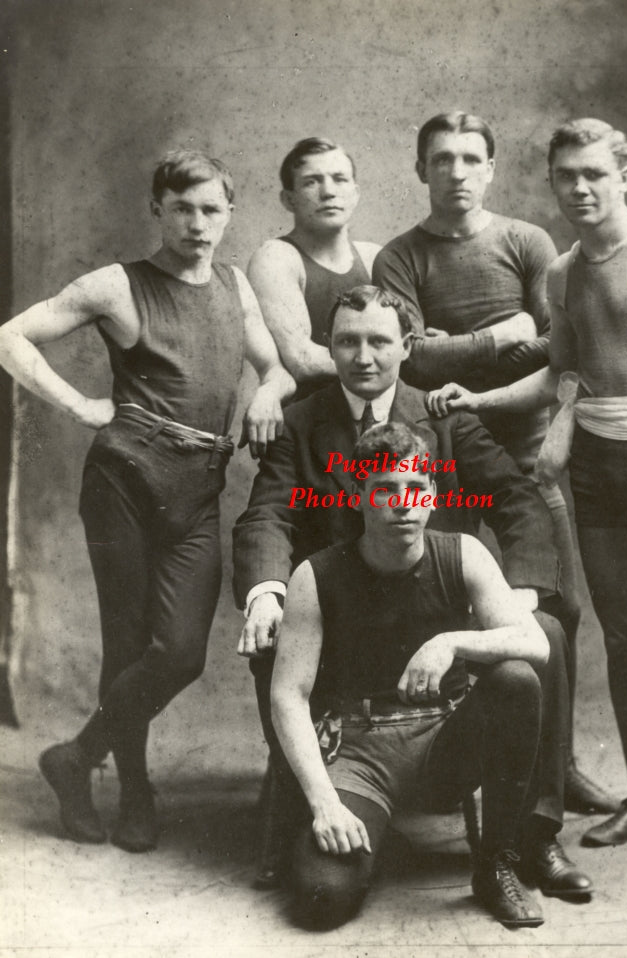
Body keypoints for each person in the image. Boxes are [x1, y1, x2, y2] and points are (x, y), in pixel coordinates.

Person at [426, 118, 627, 893]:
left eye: (594, 174)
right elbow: (562, 373)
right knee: (624, 643)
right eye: (566, 176)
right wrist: (489, 396)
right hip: (599, 472)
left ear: (623, 174)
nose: (579, 188)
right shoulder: (562, 273)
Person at [233, 284, 592, 899]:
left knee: (548, 633)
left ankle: (533, 833)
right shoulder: (302, 422)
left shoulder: (445, 415)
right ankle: (303, 804)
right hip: (342, 623)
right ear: (330, 347)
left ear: (405, 346)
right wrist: (267, 589)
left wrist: (524, 591)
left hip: (438, 608)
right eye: (347, 341)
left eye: (378, 341)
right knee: (272, 633)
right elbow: (268, 514)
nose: (363, 357)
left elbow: (515, 498)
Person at [0, 150, 294, 852]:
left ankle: (75, 756)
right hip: (123, 483)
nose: (198, 223)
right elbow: (11, 335)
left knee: (181, 651)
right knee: (127, 641)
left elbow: (275, 364)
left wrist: (269, 396)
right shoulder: (117, 284)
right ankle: (133, 787)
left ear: (229, 214)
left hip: (198, 489)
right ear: (156, 209)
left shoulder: (234, 284)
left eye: (212, 210)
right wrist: (78, 405)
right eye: (183, 208)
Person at [373, 111, 616, 816]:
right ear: (421, 170)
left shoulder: (525, 241)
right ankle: (455, 763)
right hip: (441, 457)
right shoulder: (398, 256)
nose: (455, 172)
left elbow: (553, 346)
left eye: (469, 158)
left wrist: (469, 347)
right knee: (447, 604)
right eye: (441, 159)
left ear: (491, 168)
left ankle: (556, 765)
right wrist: (497, 334)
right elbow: (410, 356)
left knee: (553, 610)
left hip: (527, 454)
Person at [271, 421, 551, 929]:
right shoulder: (317, 575)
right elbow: (289, 696)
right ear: (358, 496)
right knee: (321, 898)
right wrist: (324, 803)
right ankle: (377, 838)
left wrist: (451, 641)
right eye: (385, 491)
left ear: (433, 494)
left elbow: (536, 642)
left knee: (515, 678)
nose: (403, 504)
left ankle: (495, 864)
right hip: (360, 754)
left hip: (446, 741)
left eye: (416, 489)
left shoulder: (463, 553)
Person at [246, 137, 379, 405]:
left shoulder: (375, 256)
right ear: (288, 199)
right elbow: (303, 361)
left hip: (373, 420)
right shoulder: (276, 256)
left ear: (356, 192)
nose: (328, 192)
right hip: (307, 428)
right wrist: (392, 359)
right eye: (311, 181)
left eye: (339, 179)